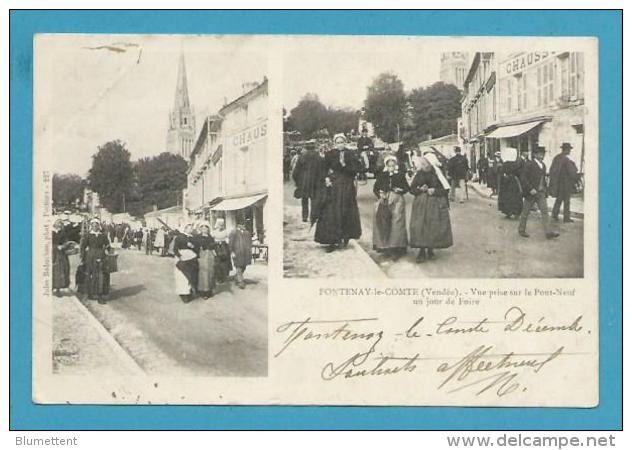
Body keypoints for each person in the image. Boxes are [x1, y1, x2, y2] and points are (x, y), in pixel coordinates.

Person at [312, 133, 363, 252]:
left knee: (346, 211)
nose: (340, 145)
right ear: (335, 143)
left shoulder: (351, 154)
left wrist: (346, 166)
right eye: (338, 142)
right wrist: (326, 178)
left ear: (345, 142)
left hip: (347, 186)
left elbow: (358, 169)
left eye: (342, 142)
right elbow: (323, 168)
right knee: (332, 212)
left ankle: (345, 236)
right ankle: (332, 240)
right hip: (334, 186)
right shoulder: (330, 154)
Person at [409, 154, 453, 262]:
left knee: (432, 226)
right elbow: (412, 189)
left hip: (434, 205)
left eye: (424, 163)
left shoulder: (437, 174)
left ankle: (430, 249)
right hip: (420, 205)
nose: (422, 165)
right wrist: (420, 189)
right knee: (420, 226)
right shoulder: (419, 174)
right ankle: (421, 251)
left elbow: (446, 190)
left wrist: (435, 191)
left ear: (430, 164)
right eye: (422, 163)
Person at [372, 154, 409, 260]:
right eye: (389, 165)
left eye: (393, 165)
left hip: (397, 201)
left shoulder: (400, 175)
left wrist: (401, 190)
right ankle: (385, 247)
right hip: (384, 200)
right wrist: (380, 194)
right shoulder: (382, 175)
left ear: (396, 165)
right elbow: (375, 188)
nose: (391, 168)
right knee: (382, 221)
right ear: (386, 165)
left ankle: (396, 248)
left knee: (396, 224)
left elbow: (407, 188)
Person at [518, 146, 559, 239]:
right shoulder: (529, 164)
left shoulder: (543, 165)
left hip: (541, 193)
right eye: (540, 154)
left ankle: (548, 232)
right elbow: (523, 178)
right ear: (535, 155)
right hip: (531, 193)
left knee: (545, 211)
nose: (542, 156)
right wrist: (530, 189)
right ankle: (521, 230)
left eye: (543, 154)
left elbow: (543, 179)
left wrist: (545, 190)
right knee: (525, 212)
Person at [80, 218, 112, 304]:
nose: (95, 227)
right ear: (91, 226)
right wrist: (82, 257)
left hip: (101, 256)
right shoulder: (88, 235)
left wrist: (109, 249)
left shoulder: (103, 235)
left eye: (96, 225)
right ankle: (88, 293)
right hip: (90, 257)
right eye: (93, 226)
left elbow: (108, 245)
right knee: (89, 275)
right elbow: (83, 246)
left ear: (99, 226)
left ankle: (100, 295)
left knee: (101, 276)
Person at [293, 140, 326, 223]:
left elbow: (295, 172)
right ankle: (313, 217)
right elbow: (323, 171)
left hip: (304, 182)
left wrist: (297, 182)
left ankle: (304, 217)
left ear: (306, 147)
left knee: (304, 200)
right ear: (314, 147)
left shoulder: (301, 157)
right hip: (315, 182)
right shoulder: (319, 158)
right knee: (314, 200)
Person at [549, 142, 580, 223]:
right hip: (565, 184)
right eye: (569, 149)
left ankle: (554, 215)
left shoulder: (557, 157)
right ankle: (566, 218)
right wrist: (577, 176)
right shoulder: (566, 160)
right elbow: (572, 172)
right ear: (566, 150)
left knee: (559, 200)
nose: (570, 151)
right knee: (566, 201)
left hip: (558, 184)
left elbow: (552, 170)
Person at [173, 223, 198, 303]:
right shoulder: (179, 237)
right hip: (182, 257)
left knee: (191, 275)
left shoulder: (193, 238)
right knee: (182, 276)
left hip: (192, 257)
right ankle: (183, 294)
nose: (191, 230)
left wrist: (193, 247)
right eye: (189, 228)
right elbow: (175, 248)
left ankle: (189, 292)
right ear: (185, 229)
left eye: (192, 228)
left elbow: (197, 249)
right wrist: (179, 256)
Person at [497, 147, 524, 219]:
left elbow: (501, 174)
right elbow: (519, 173)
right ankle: (516, 212)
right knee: (515, 197)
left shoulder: (505, 164)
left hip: (506, 184)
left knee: (506, 197)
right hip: (514, 183)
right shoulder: (516, 164)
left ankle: (507, 211)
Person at [229, 218, 253, 289]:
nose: (244, 225)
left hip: (246, 253)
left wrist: (250, 250)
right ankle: (240, 282)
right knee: (238, 266)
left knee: (244, 266)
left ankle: (237, 277)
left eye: (244, 224)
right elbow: (230, 243)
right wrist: (232, 252)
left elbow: (250, 242)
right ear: (238, 225)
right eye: (242, 224)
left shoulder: (247, 233)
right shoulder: (234, 232)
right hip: (237, 252)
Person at [195, 223, 216, 299]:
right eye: (203, 228)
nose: (204, 230)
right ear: (200, 229)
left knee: (210, 272)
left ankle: (209, 289)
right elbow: (195, 246)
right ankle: (203, 291)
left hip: (210, 256)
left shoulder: (210, 237)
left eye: (206, 228)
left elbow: (213, 246)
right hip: (202, 255)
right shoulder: (198, 237)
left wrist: (214, 252)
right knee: (203, 273)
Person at [52, 219, 71, 297]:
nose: (59, 224)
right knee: (52, 269)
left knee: (61, 269)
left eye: (60, 223)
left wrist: (63, 246)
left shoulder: (63, 233)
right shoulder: (50, 232)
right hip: (52, 252)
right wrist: (55, 246)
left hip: (60, 253)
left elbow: (66, 242)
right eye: (57, 223)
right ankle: (50, 287)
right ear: (54, 224)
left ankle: (58, 289)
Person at [212, 218, 232, 283]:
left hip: (224, 247)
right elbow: (211, 240)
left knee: (225, 263)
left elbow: (229, 239)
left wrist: (226, 242)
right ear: (217, 225)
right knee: (217, 263)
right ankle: (218, 277)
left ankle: (224, 276)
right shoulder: (213, 232)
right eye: (219, 224)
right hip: (216, 247)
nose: (221, 226)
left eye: (222, 225)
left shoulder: (226, 231)